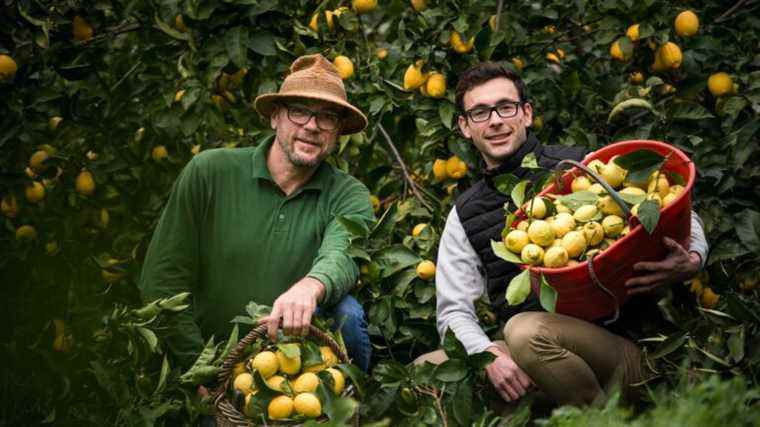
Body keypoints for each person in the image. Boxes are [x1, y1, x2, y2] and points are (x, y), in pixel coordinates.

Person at [415, 62, 709, 407]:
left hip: (621, 351)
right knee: (425, 370)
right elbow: (453, 313)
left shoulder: (581, 168)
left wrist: (692, 259)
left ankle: (599, 419)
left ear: (526, 114)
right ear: (465, 127)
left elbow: (674, 206)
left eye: (505, 107)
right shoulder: (465, 214)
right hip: (539, 354)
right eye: (479, 113)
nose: (495, 121)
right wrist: (489, 354)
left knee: (524, 332)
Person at [138, 54, 374, 377]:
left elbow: (344, 251)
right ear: (275, 117)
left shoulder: (349, 194)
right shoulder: (210, 172)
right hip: (207, 364)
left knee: (348, 313)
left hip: (290, 373)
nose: (312, 126)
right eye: (299, 111)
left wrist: (311, 285)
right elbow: (162, 280)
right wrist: (200, 371)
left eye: (327, 117)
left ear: (337, 134)